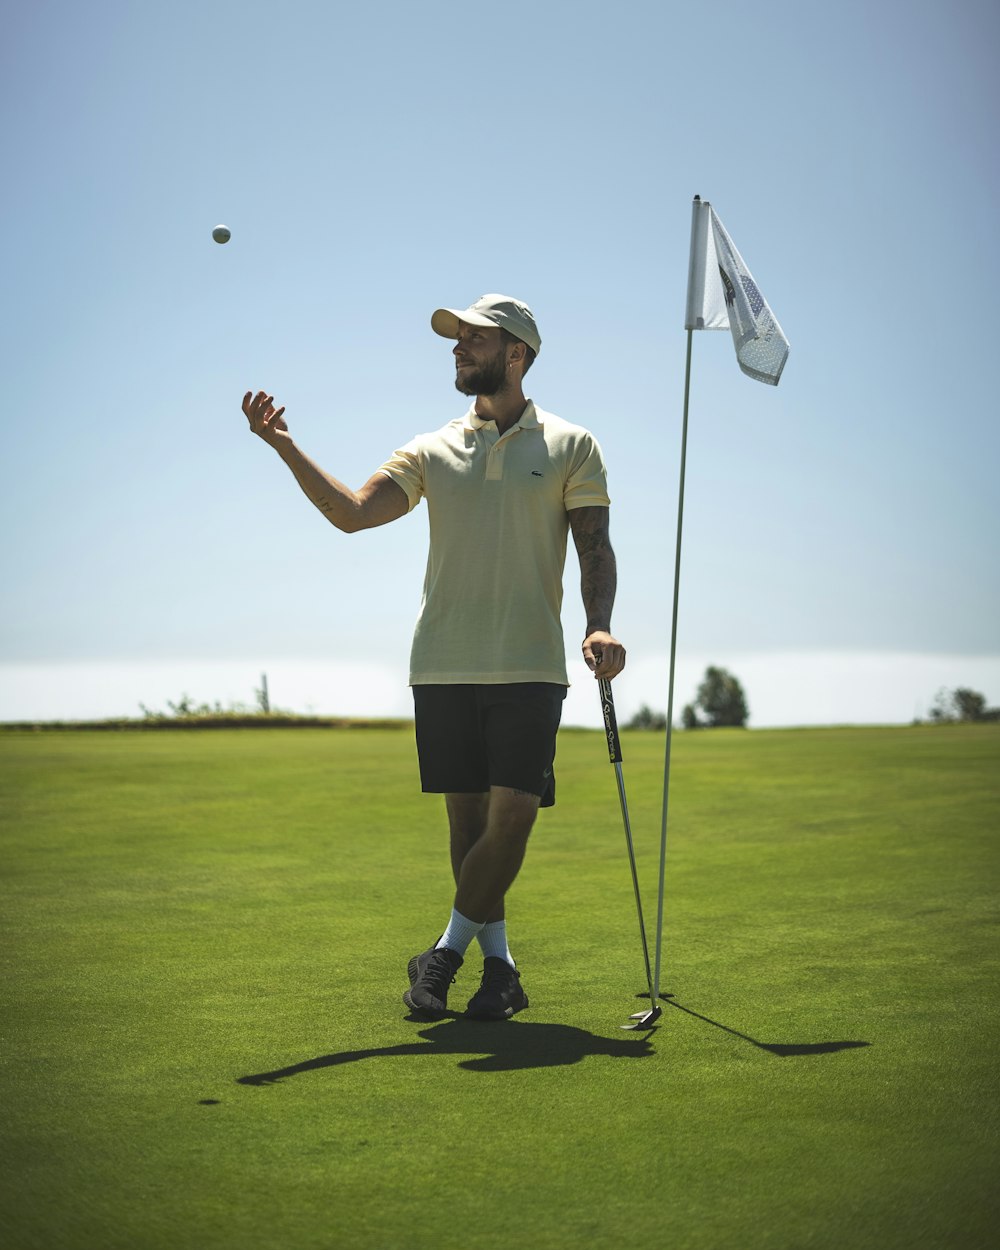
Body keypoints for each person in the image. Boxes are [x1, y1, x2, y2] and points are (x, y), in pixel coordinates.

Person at [241, 294, 625, 1022]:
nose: (456, 351)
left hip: (530, 663)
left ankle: (443, 956)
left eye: (471, 341)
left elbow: (593, 546)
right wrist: (285, 446)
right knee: (469, 828)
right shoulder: (430, 447)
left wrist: (599, 625)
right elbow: (353, 513)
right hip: (443, 663)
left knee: (512, 819)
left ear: (515, 354)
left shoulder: (573, 444)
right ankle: (501, 972)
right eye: (456, 342)